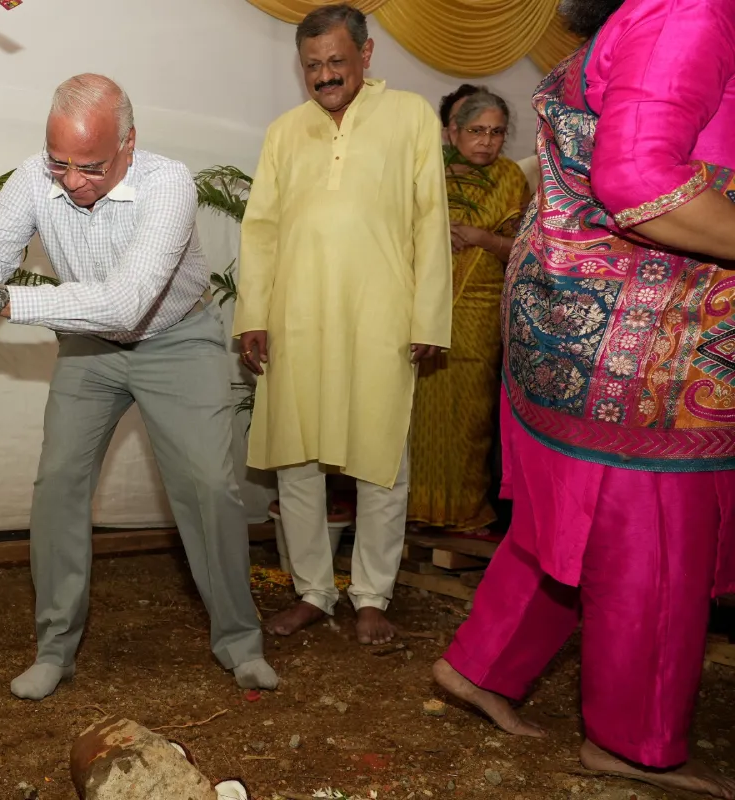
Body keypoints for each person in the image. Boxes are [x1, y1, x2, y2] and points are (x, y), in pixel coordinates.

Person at [432, 0, 735, 795]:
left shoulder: (640, 14)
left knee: (572, 519)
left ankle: (482, 667)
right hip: (639, 340)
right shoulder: (692, 9)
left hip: (579, 315)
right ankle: (633, 742)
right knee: (654, 533)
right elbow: (639, 179)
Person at [0, 73, 279, 701]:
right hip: (91, 349)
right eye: (60, 162)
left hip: (177, 339)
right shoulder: (36, 177)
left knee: (209, 486)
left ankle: (239, 641)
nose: (73, 180)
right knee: (58, 481)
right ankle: (55, 649)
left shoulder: (169, 183)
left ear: (129, 143)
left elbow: (126, 303)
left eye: (90, 166)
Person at [234, 4, 453, 646]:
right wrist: (254, 315)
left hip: (380, 314)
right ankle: (312, 592)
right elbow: (263, 230)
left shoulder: (411, 116)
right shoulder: (284, 131)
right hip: (296, 315)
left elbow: (429, 221)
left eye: (336, 61)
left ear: (366, 54)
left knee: (379, 455)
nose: (325, 76)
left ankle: (372, 595)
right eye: (312, 66)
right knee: (296, 457)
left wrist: (427, 316)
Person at [407, 91, 531, 532]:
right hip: (420, 306)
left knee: (471, 416)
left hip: (480, 308)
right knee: (418, 413)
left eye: (497, 132)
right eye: (477, 130)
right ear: (451, 131)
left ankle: (463, 511)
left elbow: (526, 249)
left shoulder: (511, 178)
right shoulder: (426, 172)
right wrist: (435, 231)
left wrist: (479, 237)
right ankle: (414, 509)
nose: (487, 141)